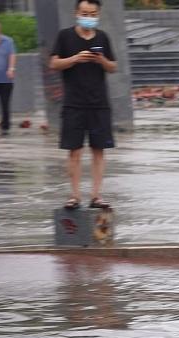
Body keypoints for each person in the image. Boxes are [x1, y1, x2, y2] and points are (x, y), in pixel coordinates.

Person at [49, 0, 117, 209]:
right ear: (76, 13)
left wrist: (101, 60)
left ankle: (96, 196)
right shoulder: (65, 36)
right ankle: (75, 196)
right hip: (74, 103)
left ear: (98, 14)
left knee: (99, 150)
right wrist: (75, 58)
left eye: (92, 13)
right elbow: (53, 63)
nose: (88, 16)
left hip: (98, 103)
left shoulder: (103, 37)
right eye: (84, 12)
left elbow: (113, 67)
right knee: (74, 151)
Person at [0, 19, 16, 137]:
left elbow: (12, 55)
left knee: (5, 104)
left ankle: (5, 126)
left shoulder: (8, 41)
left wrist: (11, 68)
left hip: (5, 80)